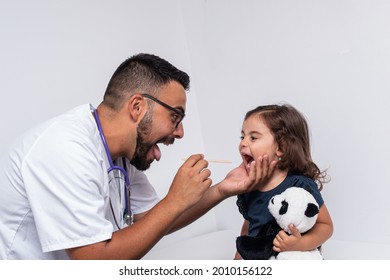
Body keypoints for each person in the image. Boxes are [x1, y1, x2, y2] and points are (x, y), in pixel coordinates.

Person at [0, 53, 275, 260]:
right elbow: (91, 262)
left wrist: (224, 189)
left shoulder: (121, 155)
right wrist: (174, 201)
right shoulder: (65, 149)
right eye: (175, 117)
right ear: (137, 106)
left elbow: (151, 220)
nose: (180, 133)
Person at [234, 104, 333, 259]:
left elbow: (326, 226)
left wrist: (301, 244)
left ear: (281, 148)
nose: (243, 143)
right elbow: (248, 228)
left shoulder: (300, 185)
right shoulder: (249, 187)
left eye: (253, 138)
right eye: (242, 137)